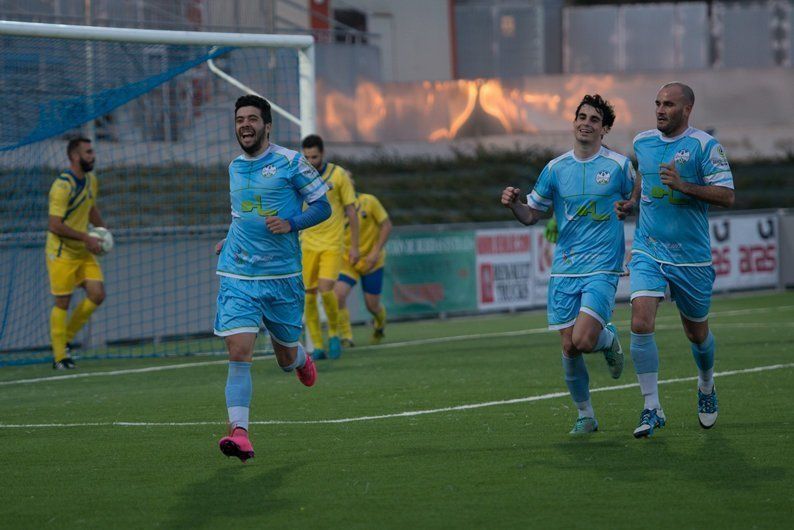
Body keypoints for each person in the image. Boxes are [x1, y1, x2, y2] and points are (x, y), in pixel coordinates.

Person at [501, 94, 634, 435]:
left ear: (604, 129)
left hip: (602, 267)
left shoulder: (619, 167)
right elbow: (532, 214)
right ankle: (585, 415)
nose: (586, 123)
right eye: (582, 117)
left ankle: (608, 340)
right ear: (574, 122)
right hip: (564, 269)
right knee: (569, 346)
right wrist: (515, 204)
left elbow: (641, 202)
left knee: (585, 340)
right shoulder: (555, 169)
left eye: (594, 120)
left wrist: (632, 214)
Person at [214, 94, 331, 462]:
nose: (244, 125)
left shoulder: (291, 162)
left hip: (281, 277)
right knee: (239, 350)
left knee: (283, 358)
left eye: (251, 119)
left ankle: (299, 359)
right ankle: (240, 433)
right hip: (238, 273)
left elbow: (323, 207)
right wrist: (229, 237)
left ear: (267, 125)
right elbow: (240, 215)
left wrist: (291, 223)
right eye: (239, 120)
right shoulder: (234, 166)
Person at [615, 82, 735, 438]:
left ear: (687, 110)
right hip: (649, 250)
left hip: (692, 258)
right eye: (657, 103)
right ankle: (652, 406)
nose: (660, 110)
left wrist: (685, 186)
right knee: (639, 321)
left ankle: (706, 385)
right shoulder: (642, 142)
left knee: (697, 334)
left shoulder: (705, 146)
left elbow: (727, 196)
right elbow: (645, 176)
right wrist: (633, 200)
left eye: (669, 104)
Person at [46, 137, 107, 370]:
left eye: (93, 151)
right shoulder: (61, 186)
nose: (93, 156)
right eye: (88, 152)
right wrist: (86, 237)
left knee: (97, 294)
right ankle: (60, 356)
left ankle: (65, 338)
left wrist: (102, 233)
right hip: (61, 252)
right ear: (74, 156)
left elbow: (90, 208)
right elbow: (54, 224)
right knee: (63, 301)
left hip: (83, 251)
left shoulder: (91, 180)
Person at [300, 134, 359, 360]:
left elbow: (351, 211)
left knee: (326, 291)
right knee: (308, 296)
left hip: (333, 244)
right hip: (308, 244)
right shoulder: (299, 176)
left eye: (314, 156)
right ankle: (318, 346)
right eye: (306, 157)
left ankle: (334, 334)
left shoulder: (339, 175)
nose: (310, 161)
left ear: (322, 154)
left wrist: (354, 246)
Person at [334, 187, 392, 346]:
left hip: (371, 261)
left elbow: (386, 226)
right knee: (337, 294)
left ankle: (379, 324)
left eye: (347, 178)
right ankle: (346, 336)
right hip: (348, 261)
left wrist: (375, 252)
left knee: (372, 305)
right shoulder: (333, 207)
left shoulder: (369, 201)